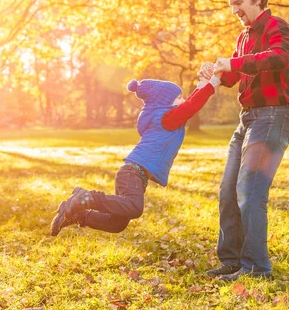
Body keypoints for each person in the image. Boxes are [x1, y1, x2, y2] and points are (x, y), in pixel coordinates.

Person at [199, 0, 289, 281]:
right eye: (232, 4)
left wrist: (235, 63)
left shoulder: (276, 26)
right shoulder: (243, 37)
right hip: (247, 118)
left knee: (250, 191)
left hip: (273, 116)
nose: (235, 10)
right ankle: (231, 261)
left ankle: (257, 268)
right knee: (228, 190)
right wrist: (215, 72)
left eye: (239, 2)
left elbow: (279, 57)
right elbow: (235, 74)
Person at [50, 76, 220, 236]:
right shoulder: (165, 118)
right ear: (165, 103)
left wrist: (202, 84)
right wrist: (211, 84)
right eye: (179, 98)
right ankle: (87, 198)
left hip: (133, 174)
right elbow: (191, 107)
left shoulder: (167, 116)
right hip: (133, 172)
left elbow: (189, 105)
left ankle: (75, 215)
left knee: (116, 224)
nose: (183, 100)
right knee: (134, 208)